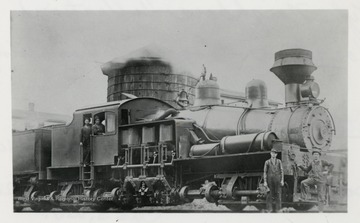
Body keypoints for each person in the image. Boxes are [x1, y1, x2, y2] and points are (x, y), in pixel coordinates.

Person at [263, 148, 284, 213]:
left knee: (278, 194)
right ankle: (269, 209)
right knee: (269, 195)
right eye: (272, 153)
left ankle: (278, 209)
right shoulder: (267, 162)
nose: (274, 154)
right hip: (270, 180)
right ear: (270, 153)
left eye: (275, 153)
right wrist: (265, 181)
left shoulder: (279, 161)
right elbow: (265, 172)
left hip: (278, 179)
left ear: (276, 154)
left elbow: (282, 171)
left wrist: (282, 180)